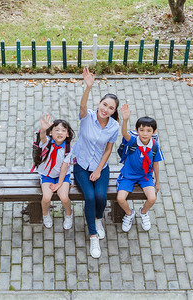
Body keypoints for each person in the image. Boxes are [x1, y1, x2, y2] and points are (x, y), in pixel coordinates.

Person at [73, 67, 120, 259]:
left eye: (110, 108)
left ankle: (98, 219)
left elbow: (108, 149)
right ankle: (93, 236)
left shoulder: (114, 126)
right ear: (99, 103)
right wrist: (88, 87)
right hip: (81, 165)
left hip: (100, 167)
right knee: (90, 197)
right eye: (104, 104)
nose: (106, 109)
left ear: (114, 111)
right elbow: (83, 107)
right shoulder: (88, 117)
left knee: (101, 196)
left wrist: (99, 170)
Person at [116, 104, 164, 232]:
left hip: (145, 176)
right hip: (128, 176)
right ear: (137, 130)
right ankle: (129, 213)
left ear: (154, 132)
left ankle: (143, 212)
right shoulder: (133, 141)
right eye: (142, 130)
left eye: (149, 131)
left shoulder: (155, 146)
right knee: (120, 198)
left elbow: (156, 164)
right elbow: (124, 133)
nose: (145, 133)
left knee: (152, 198)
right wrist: (125, 120)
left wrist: (157, 182)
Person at [37, 114, 75, 230]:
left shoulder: (68, 148)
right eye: (56, 130)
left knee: (63, 197)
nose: (60, 133)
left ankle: (69, 214)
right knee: (47, 197)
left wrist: (59, 183)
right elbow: (42, 136)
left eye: (63, 130)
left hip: (62, 175)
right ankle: (45, 214)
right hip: (47, 175)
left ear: (67, 134)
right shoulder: (46, 142)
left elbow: (64, 167)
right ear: (50, 133)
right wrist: (43, 129)